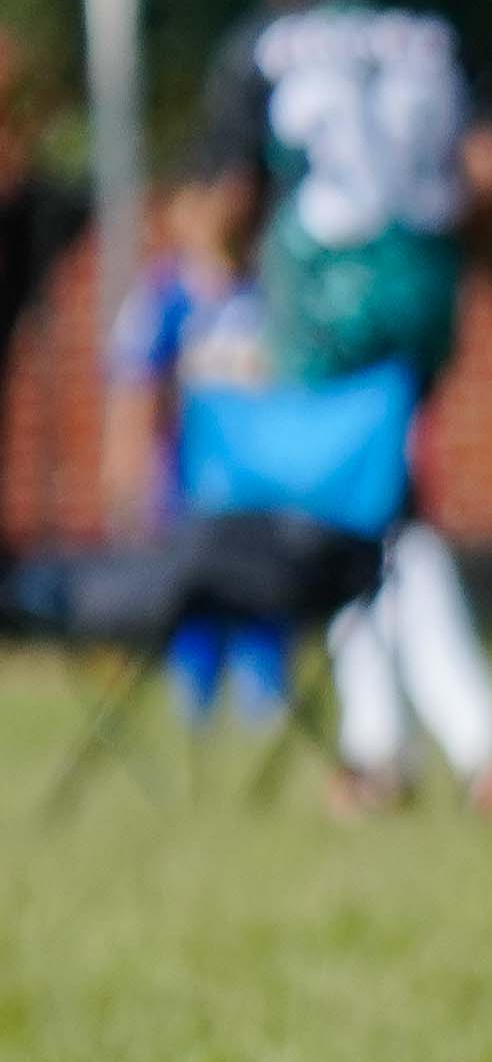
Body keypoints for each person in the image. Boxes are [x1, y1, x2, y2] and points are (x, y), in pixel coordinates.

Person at [199, 0, 492, 815]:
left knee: (344, 513)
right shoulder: (434, 35)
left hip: (319, 292)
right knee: (384, 504)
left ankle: (421, 748)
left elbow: (225, 203)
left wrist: (225, 270)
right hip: (419, 292)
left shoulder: (262, 43)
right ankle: (426, 748)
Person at [102, 166, 292, 739]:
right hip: (188, 486)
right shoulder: (163, 297)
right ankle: (196, 707)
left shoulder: (271, 293)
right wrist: (125, 474)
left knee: (265, 598)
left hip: (264, 486)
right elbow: (133, 386)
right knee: (195, 602)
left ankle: (266, 703)